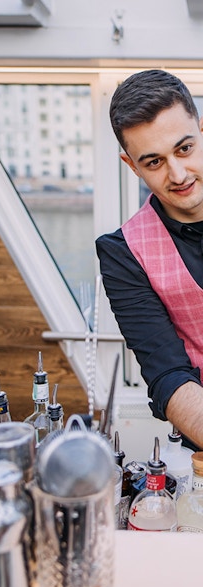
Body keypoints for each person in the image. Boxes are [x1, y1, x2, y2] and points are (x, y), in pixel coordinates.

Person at [96, 69, 203, 452]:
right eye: (154, 162)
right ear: (132, 165)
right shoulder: (122, 251)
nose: (177, 174)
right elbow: (168, 374)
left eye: (185, 149)